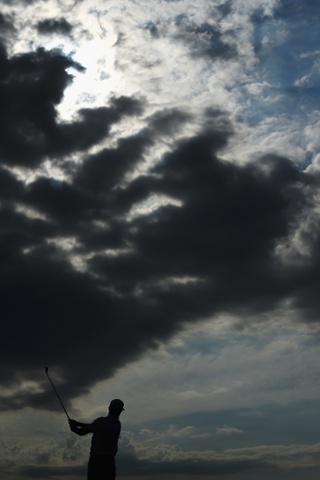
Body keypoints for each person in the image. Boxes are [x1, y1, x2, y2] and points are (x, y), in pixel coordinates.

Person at [68, 398, 125, 480]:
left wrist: (74, 428)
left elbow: (82, 432)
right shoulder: (117, 425)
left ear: (109, 408)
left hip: (96, 461)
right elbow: (94, 426)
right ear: (120, 411)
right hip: (109, 463)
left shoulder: (100, 422)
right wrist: (77, 423)